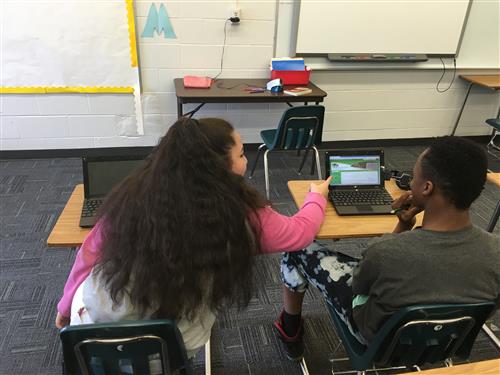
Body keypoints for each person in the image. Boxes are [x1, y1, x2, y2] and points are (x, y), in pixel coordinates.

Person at [55, 117, 332, 357]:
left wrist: (65, 306)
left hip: (91, 332)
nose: (246, 158)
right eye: (241, 154)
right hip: (170, 347)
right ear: (221, 167)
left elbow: (89, 252)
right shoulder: (243, 216)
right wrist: (316, 198)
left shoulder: (132, 195)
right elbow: (300, 233)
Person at [274, 136, 500, 361]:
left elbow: (360, 289)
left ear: (426, 188)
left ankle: (290, 329)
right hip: (448, 343)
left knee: (299, 246)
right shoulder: (496, 250)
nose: (410, 183)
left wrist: (399, 231)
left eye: (414, 177)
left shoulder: (386, 251)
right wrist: (405, 224)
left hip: (379, 342)